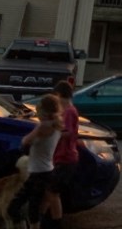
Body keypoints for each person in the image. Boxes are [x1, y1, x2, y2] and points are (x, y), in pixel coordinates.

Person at [8, 93, 62, 229]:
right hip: (47, 171)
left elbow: (25, 141)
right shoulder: (57, 125)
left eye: (38, 111)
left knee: (19, 207)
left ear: (44, 111)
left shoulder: (43, 126)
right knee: (33, 208)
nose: (37, 114)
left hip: (39, 173)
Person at [43, 81, 80, 229]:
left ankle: (55, 222)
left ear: (59, 95)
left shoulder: (70, 112)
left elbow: (69, 132)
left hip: (65, 159)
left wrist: (53, 132)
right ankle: (40, 218)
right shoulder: (65, 111)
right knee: (48, 191)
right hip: (60, 157)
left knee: (53, 192)